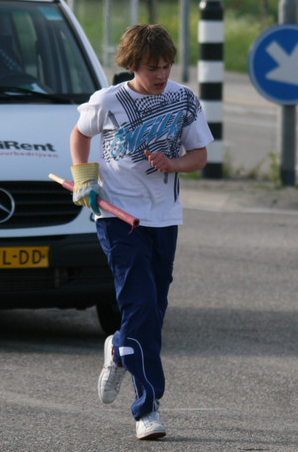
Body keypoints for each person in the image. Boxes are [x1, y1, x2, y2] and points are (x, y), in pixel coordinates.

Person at [69, 24, 213, 441]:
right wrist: (84, 180)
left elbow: (200, 155)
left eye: (167, 66)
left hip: (164, 219)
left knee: (154, 310)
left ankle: (119, 347)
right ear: (133, 64)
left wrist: (173, 164)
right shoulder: (109, 101)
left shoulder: (184, 100)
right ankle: (147, 408)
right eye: (153, 67)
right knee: (142, 307)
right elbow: (80, 134)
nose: (162, 74)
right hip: (117, 217)